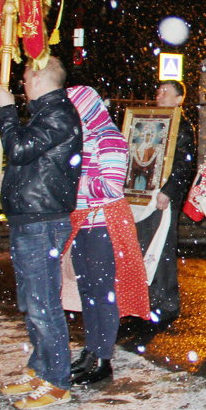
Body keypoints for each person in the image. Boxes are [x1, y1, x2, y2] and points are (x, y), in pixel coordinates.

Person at [0, 56, 83, 409]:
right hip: (30, 216)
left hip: (42, 220)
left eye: (26, 78)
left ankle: (57, 381)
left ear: (40, 79)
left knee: (43, 301)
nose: (22, 85)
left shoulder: (58, 112)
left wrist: (8, 113)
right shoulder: (48, 112)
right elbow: (31, 161)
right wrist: (7, 183)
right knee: (31, 301)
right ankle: (41, 369)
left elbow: (21, 148)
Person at [64, 86, 150, 386]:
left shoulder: (108, 137)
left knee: (103, 293)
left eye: (73, 109)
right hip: (82, 223)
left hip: (103, 226)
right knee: (87, 292)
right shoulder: (81, 138)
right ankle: (90, 351)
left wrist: (73, 184)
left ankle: (103, 359)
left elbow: (111, 187)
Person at [133, 80, 196, 325]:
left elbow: (183, 162)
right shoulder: (150, 122)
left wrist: (168, 190)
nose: (160, 95)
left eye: (166, 92)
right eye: (158, 91)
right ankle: (145, 299)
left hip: (163, 196)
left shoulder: (181, 125)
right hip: (143, 192)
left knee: (162, 246)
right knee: (144, 245)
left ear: (180, 99)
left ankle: (167, 301)